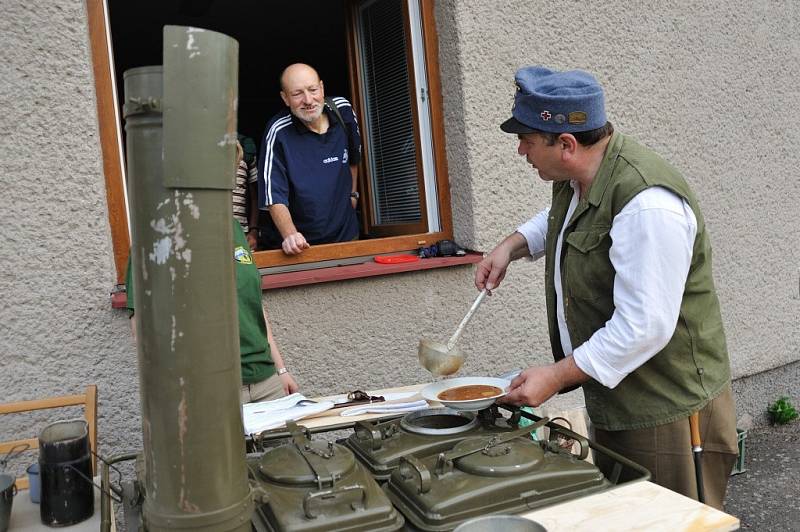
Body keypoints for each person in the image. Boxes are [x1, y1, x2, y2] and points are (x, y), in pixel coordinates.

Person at [475, 66, 738, 509]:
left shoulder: (646, 204)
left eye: (527, 140)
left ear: (566, 144)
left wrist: (556, 376)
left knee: (670, 519)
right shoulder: (577, 178)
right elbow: (560, 220)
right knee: (625, 514)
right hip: (618, 396)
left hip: (665, 409)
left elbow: (644, 326)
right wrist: (511, 246)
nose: (520, 150)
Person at [127, 151, 299, 404]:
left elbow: (253, 308)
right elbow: (142, 329)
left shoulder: (233, 229)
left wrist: (281, 370)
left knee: (287, 444)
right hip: (209, 390)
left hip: (266, 381)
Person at [256, 63, 361, 255]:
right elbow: (273, 195)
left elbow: (354, 156)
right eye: (297, 94)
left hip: (347, 237)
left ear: (321, 88)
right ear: (285, 98)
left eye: (313, 90)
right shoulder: (278, 132)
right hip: (303, 246)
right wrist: (290, 235)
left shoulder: (343, 110)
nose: (308, 100)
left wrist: (353, 194)